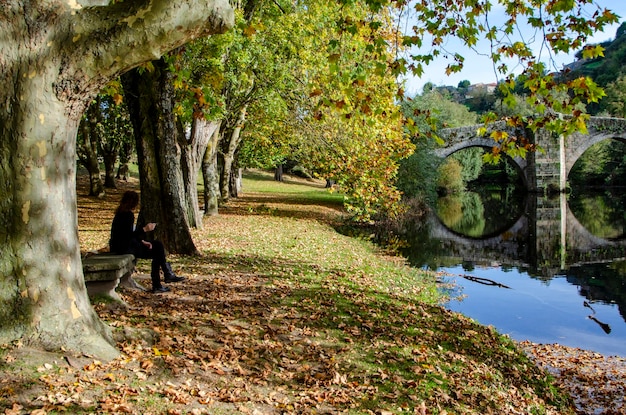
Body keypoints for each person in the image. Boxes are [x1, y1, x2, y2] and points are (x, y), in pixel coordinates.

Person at [109, 190, 184, 293]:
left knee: (157, 246)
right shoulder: (127, 215)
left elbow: (127, 234)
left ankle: (165, 276)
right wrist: (145, 229)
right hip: (124, 248)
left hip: (123, 245)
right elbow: (127, 235)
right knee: (157, 250)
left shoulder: (120, 213)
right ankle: (162, 278)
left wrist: (142, 241)